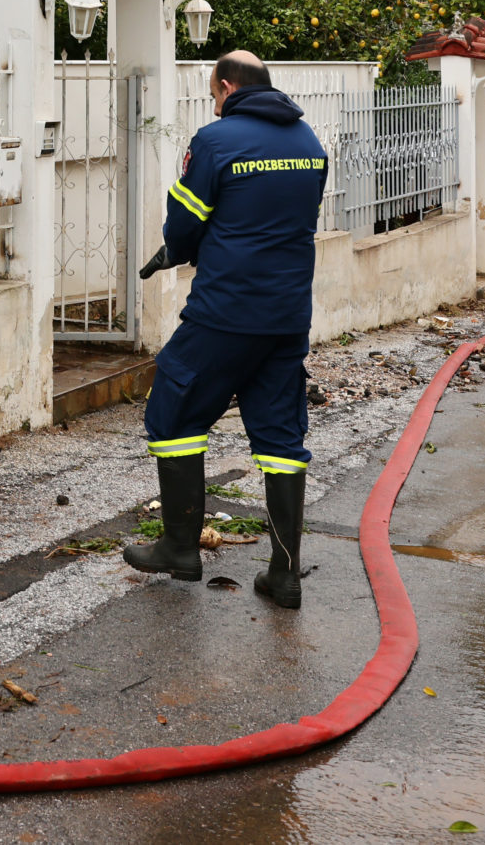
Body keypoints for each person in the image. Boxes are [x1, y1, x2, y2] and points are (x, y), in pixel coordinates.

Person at [125, 50, 328, 608]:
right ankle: (283, 575)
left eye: (213, 92)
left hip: (226, 312)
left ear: (226, 86)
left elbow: (186, 222)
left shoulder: (216, 141)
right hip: (287, 316)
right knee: (281, 436)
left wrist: (175, 250)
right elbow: (291, 218)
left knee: (173, 410)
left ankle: (179, 547)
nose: (213, 102)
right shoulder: (308, 143)